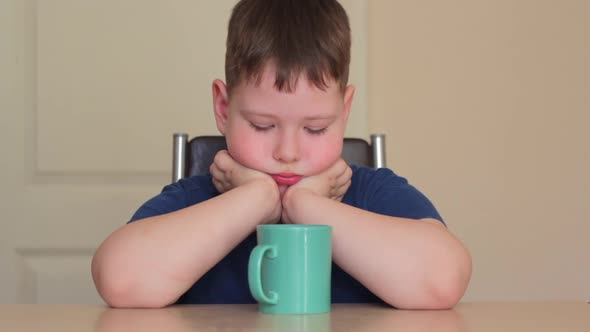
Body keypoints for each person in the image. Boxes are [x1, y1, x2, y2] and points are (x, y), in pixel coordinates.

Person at [91, 0, 472, 309]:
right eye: (261, 125)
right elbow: (121, 281)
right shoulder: (198, 199)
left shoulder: (372, 194)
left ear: (345, 110)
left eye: (315, 128)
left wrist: (305, 206)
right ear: (223, 108)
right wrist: (256, 198)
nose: (287, 152)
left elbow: (442, 282)